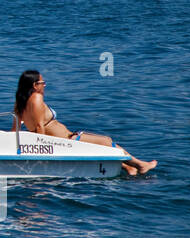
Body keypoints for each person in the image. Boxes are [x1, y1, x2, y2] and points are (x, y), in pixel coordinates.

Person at [12, 70, 156, 175]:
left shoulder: (20, 103)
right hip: (64, 141)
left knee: (100, 143)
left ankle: (128, 168)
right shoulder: (36, 98)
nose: (45, 85)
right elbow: (39, 127)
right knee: (106, 141)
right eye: (42, 83)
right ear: (34, 85)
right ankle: (139, 164)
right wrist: (42, 152)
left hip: (62, 139)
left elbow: (15, 130)